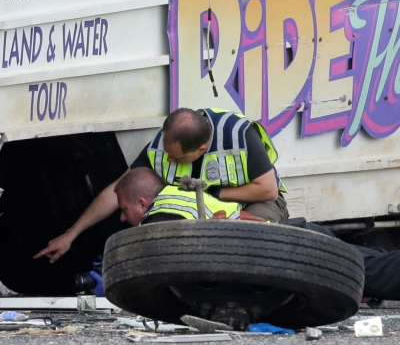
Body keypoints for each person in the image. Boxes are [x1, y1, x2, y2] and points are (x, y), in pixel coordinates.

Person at [114, 167, 400, 310]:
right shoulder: (190, 197)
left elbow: (162, 259)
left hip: (290, 248)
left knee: (380, 277)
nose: (123, 219)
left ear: (143, 200)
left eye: (123, 209)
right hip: (294, 238)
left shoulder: (161, 216)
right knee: (381, 271)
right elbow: (240, 221)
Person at [36, 107, 285, 263]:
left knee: (250, 238)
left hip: (254, 202)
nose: (169, 160)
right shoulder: (162, 146)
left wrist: (215, 193)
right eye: (168, 152)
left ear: (200, 150)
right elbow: (117, 191)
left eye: (176, 158)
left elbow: (268, 189)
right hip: (204, 209)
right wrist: (71, 235)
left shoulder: (239, 133)